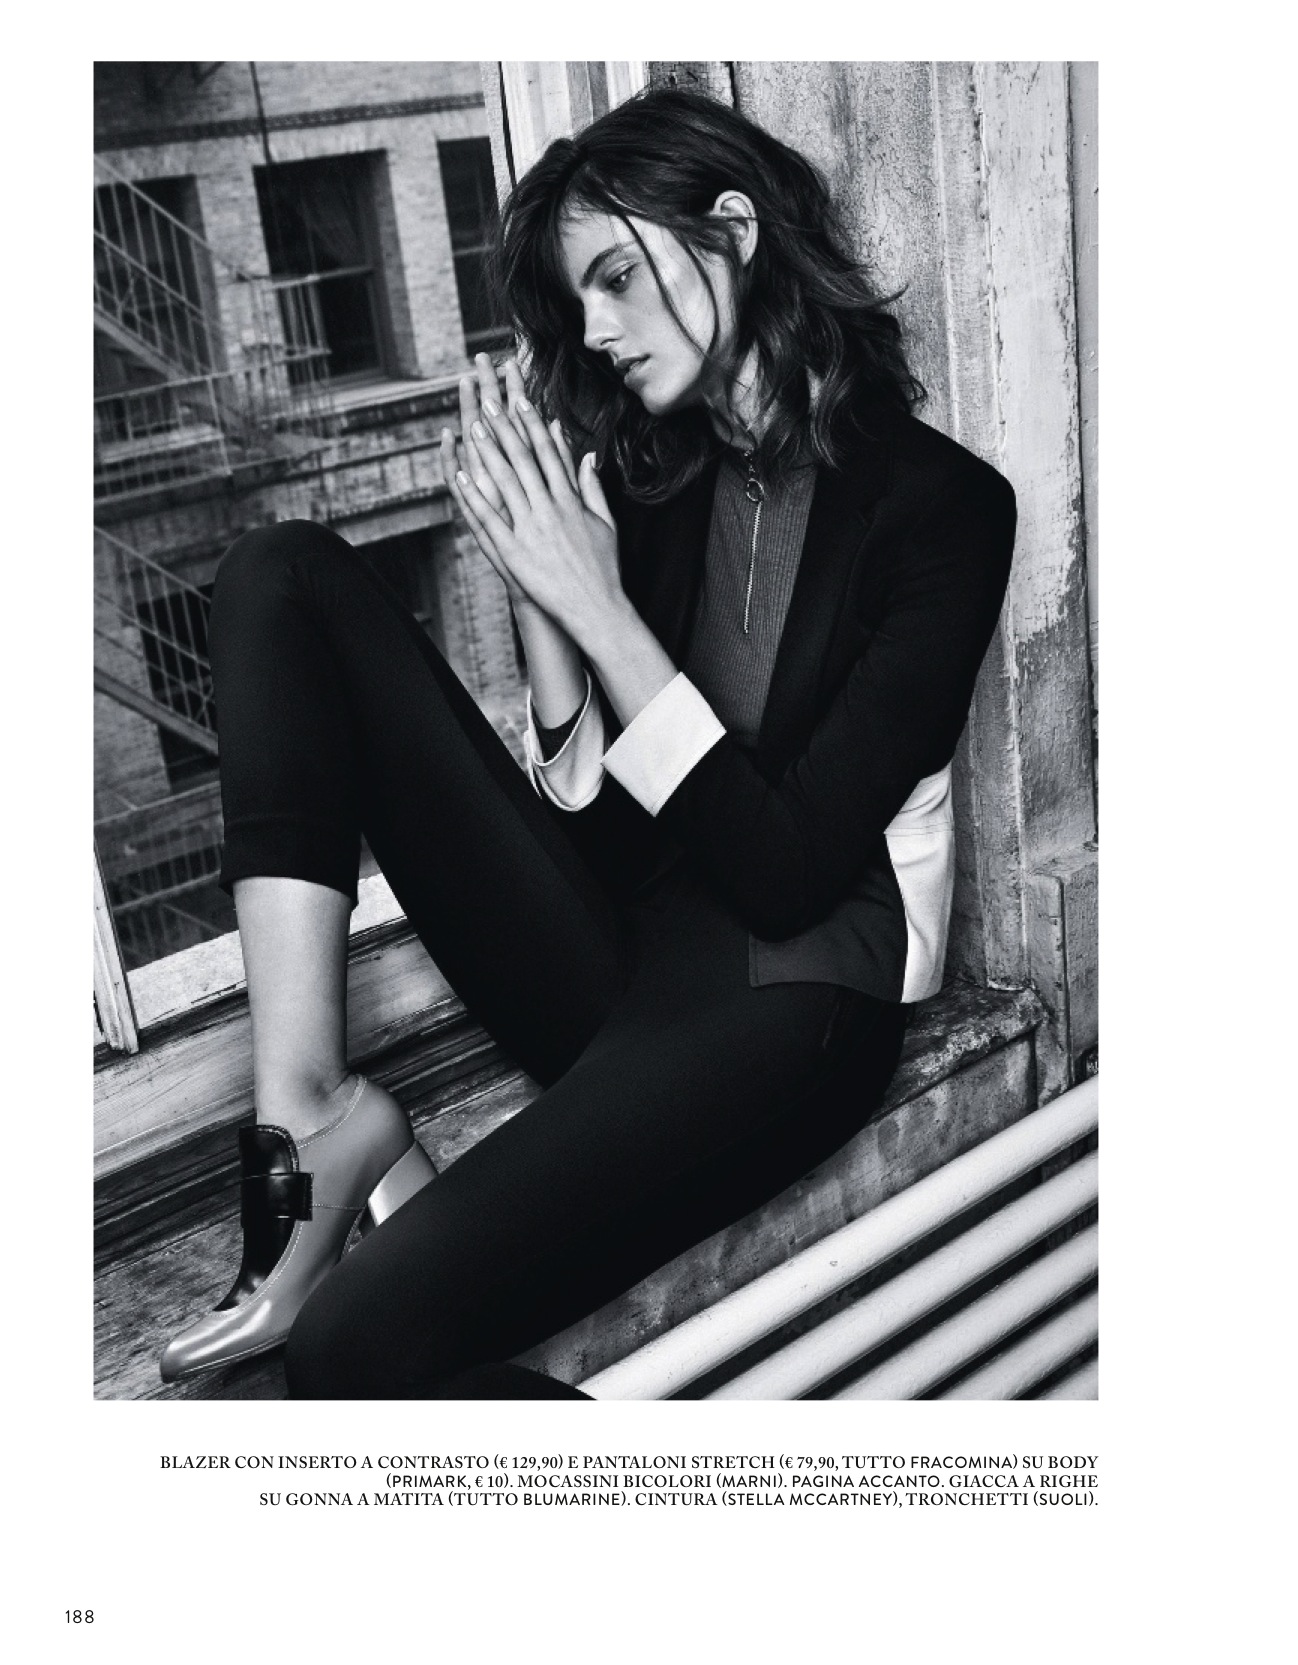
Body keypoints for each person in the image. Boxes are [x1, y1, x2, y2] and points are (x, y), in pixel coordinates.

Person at [158, 86, 1015, 1399]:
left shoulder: (944, 510)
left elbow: (786, 870)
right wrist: (549, 619)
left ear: (733, 232)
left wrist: (597, 605)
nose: (598, 330)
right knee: (279, 577)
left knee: (353, 1347)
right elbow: (616, 848)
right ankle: (308, 1117)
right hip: (633, 958)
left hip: (797, 1002)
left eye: (615, 276)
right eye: (581, 302)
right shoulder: (656, 480)